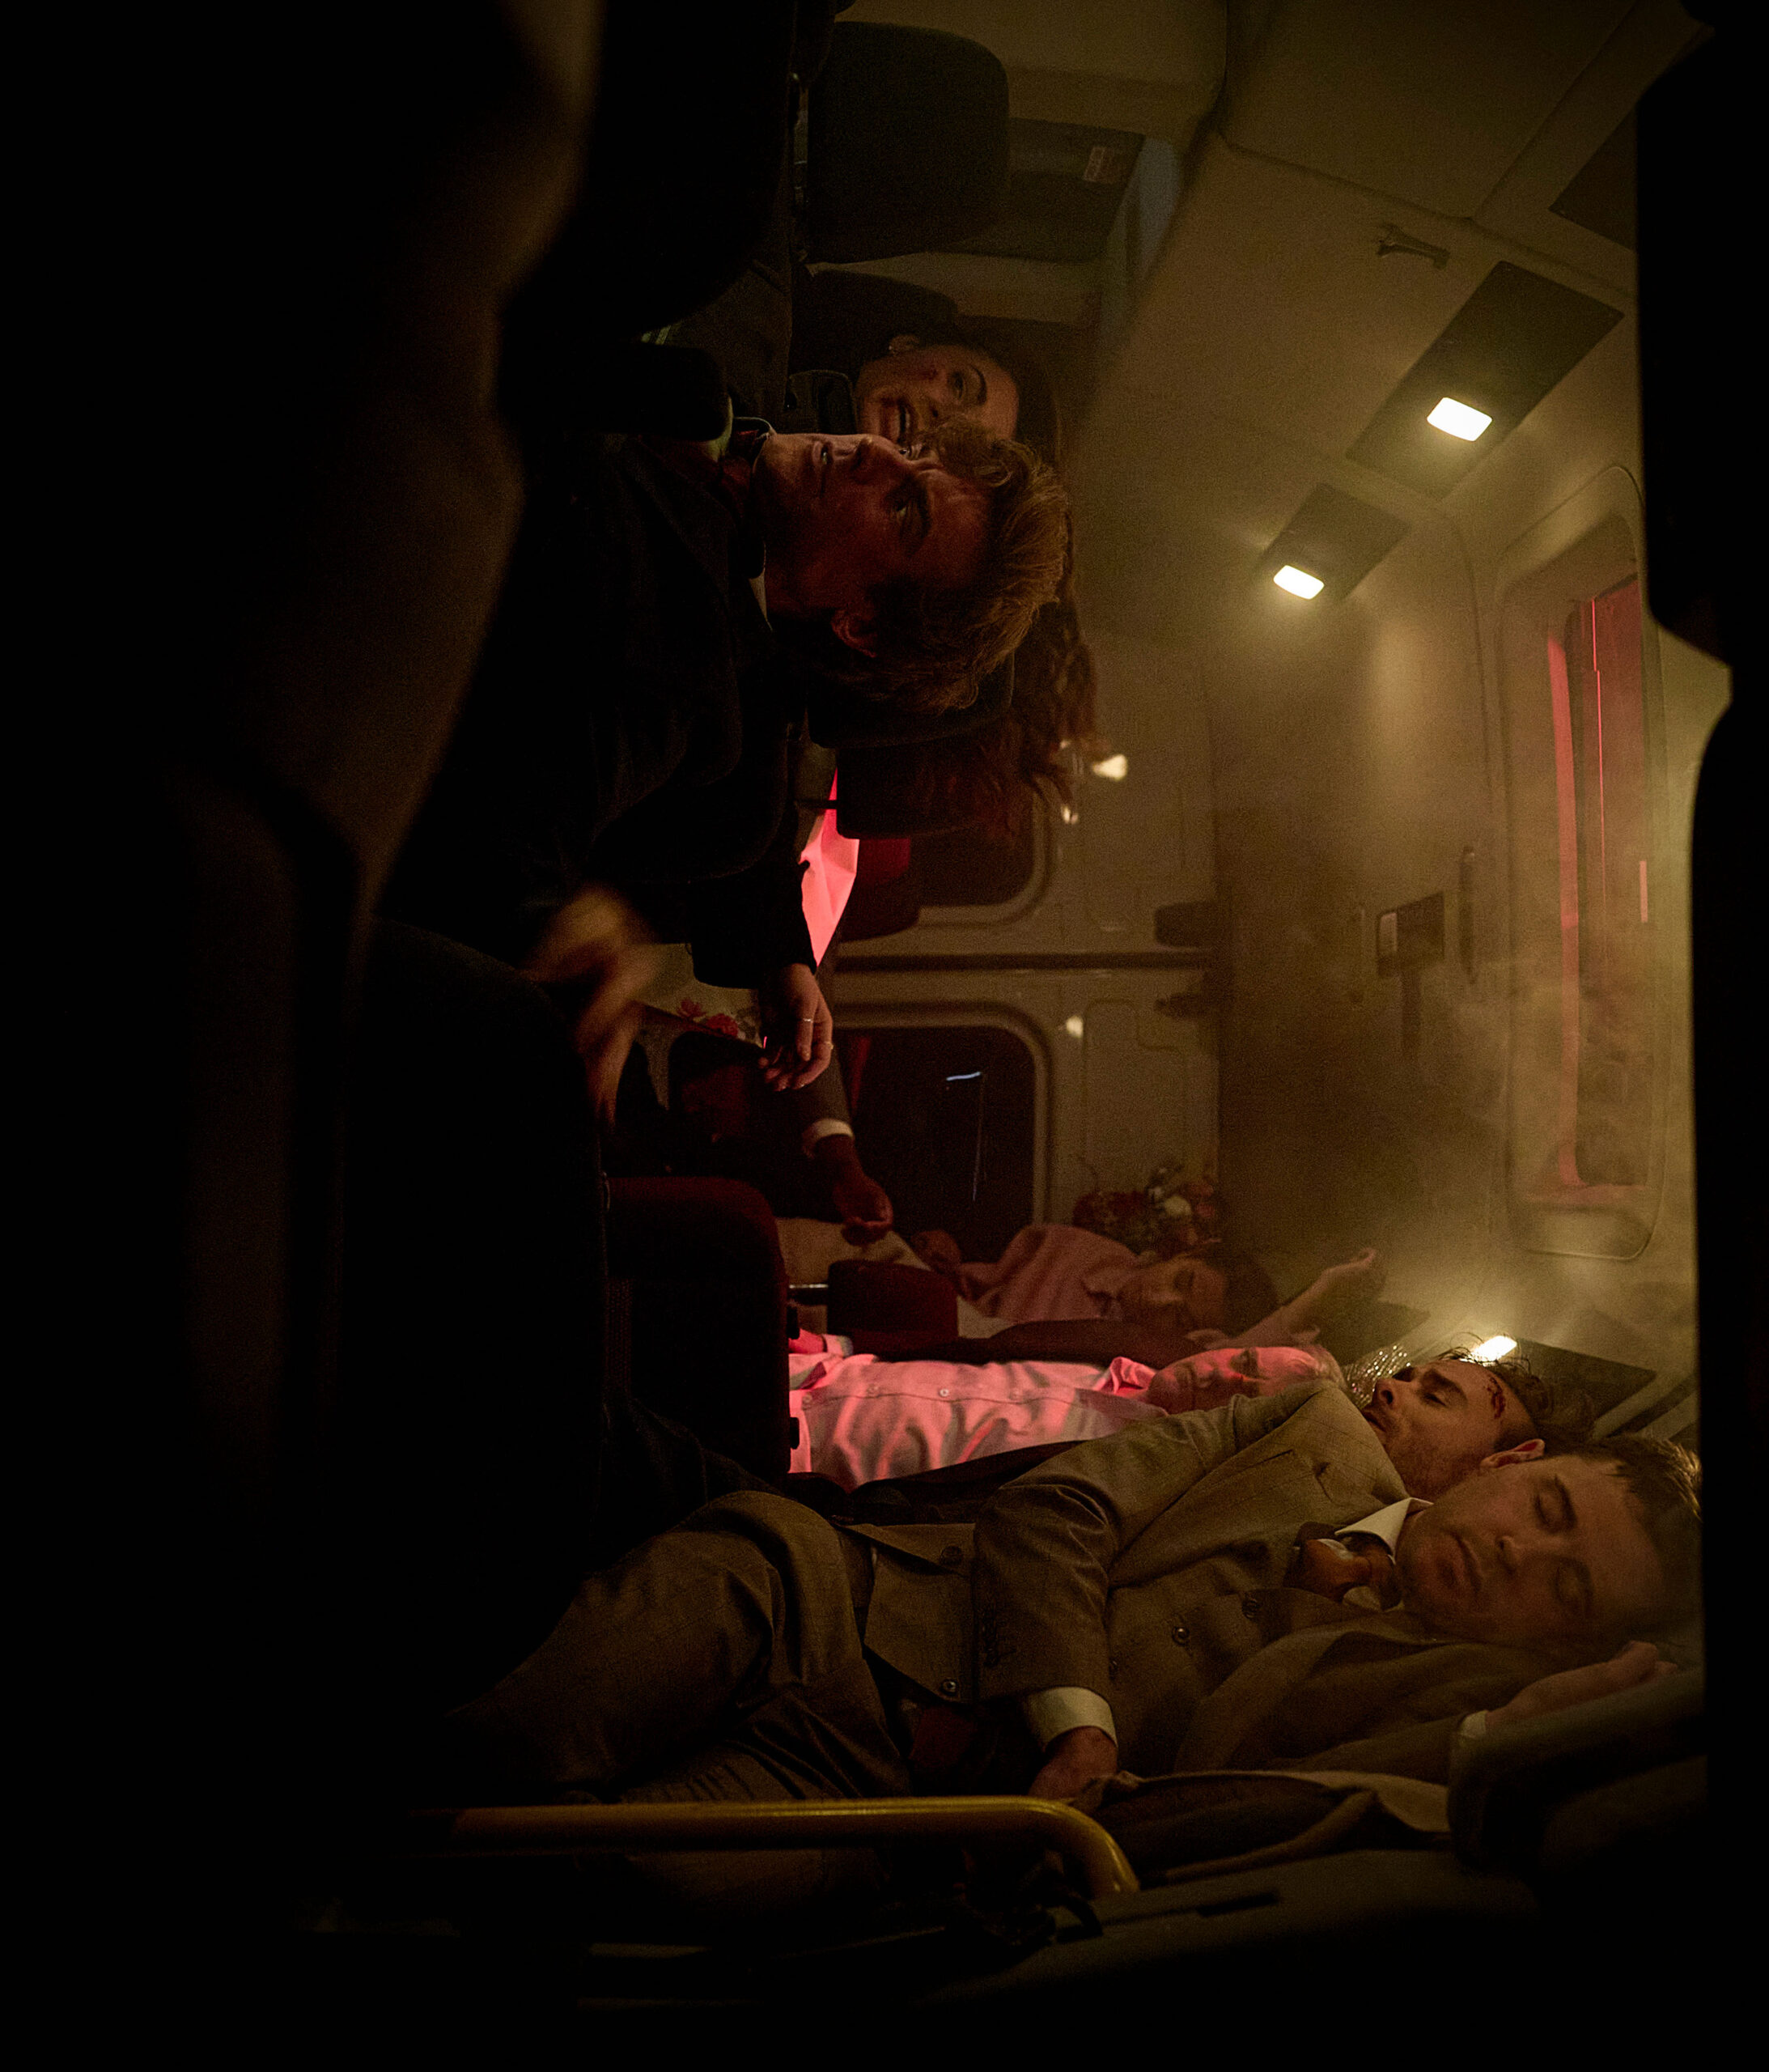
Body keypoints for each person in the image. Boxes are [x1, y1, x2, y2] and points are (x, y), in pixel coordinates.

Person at [440, 1382, 1698, 1913]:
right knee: (505, 1737)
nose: (1517, 1554)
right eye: (1543, 1510)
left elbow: (1287, 1803)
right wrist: (1077, 1720)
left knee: (556, 1884)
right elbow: (1059, 1509)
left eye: (1565, 1587)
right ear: (1513, 1464)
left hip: (915, 1816)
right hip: (838, 1605)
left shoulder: (1428, 1700)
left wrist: (1503, 1735)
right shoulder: (1310, 1423)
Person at [382, 421, 1069, 1091]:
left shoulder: (677, 654)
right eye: (911, 450)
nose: (873, 452)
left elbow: (497, 845)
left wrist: (557, 925)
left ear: (861, 622)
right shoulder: (729, 439)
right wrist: (783, 954)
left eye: (903, 509)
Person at [785, 1339, 1595, 1502]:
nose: (1392, 1390)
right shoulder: (1150, 1392)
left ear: (1497, 1465)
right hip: (812, 1384)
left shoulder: (1236, 1490)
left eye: (1433, 1398)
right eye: (1408, 1377)